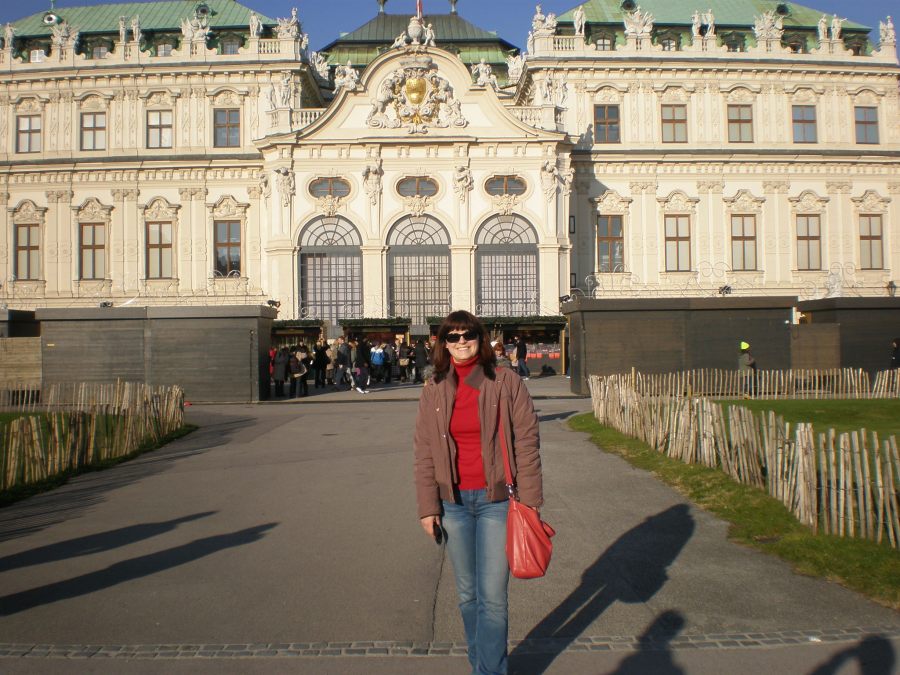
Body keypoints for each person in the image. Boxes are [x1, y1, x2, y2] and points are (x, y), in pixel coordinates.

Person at [414, 310, 542, 675]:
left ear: (480, 338)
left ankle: (490, 671)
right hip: (452, 504)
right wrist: (427, 508)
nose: (460, 342)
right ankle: (481, 663)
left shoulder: (505, 381)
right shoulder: (435, 387)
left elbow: (528, 443)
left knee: (493, 599)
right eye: (451, 337)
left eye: (467, 334)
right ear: (443, 344)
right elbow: (423, 451)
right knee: (468, 596)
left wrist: (530, 504)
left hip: (496, 502)